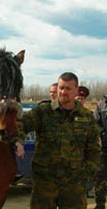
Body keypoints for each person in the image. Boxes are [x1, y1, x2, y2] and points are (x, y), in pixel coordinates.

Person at [14, 72, 100, 209]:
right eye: (60, 88)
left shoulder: (87, 117)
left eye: (67, 88)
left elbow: (94, 150)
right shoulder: (43, 111)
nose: (63, 92)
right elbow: (21, 124)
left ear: (76, 91)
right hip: (45, 181)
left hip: (73, 184)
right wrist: (19, 141)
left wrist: (85, 174)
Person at [93, 95, 107, 209]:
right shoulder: (101, 106)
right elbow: (95, 124)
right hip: (104, 150)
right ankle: (100, 205)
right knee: (100, 178)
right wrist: (102, 134)